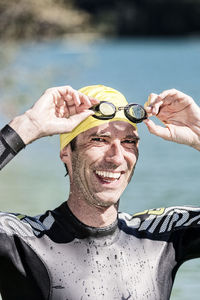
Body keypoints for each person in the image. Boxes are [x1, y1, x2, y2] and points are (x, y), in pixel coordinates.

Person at [0, 84, 200, 300]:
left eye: (128, 142)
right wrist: (28, 125)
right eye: (99, 140)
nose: (116, 157)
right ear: (66, 152)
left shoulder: (161, 235)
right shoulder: (22, 240)